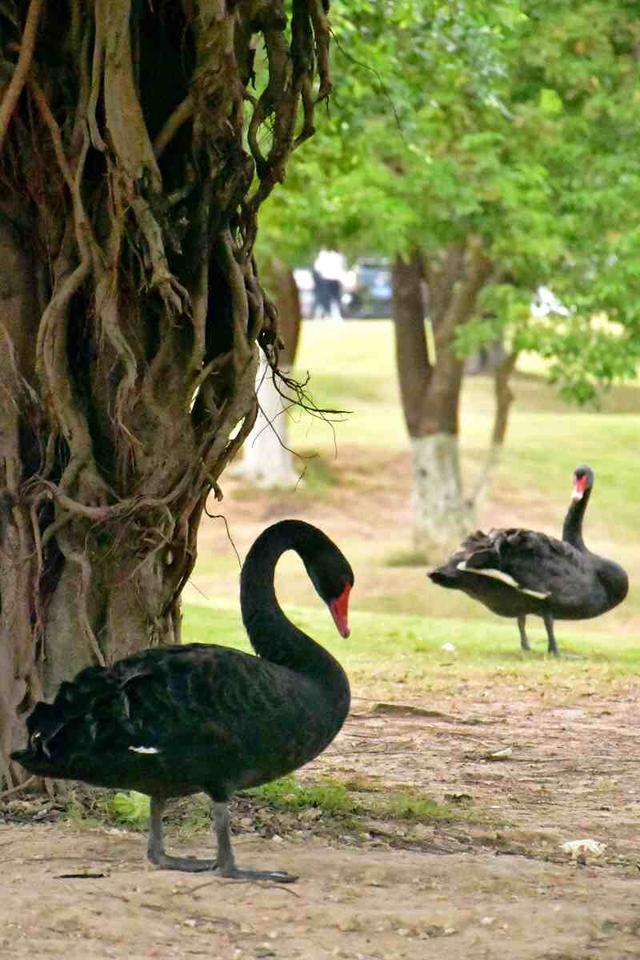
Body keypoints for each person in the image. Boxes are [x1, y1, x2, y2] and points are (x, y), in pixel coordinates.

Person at [312, 249, 346, 320]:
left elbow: (318, 268)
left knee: (331, 298)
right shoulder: (324, 254)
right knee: (330, 298)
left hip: (330, 279)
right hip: (328, 279)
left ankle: (331, 314)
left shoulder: (324, 254)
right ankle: (326, 314)